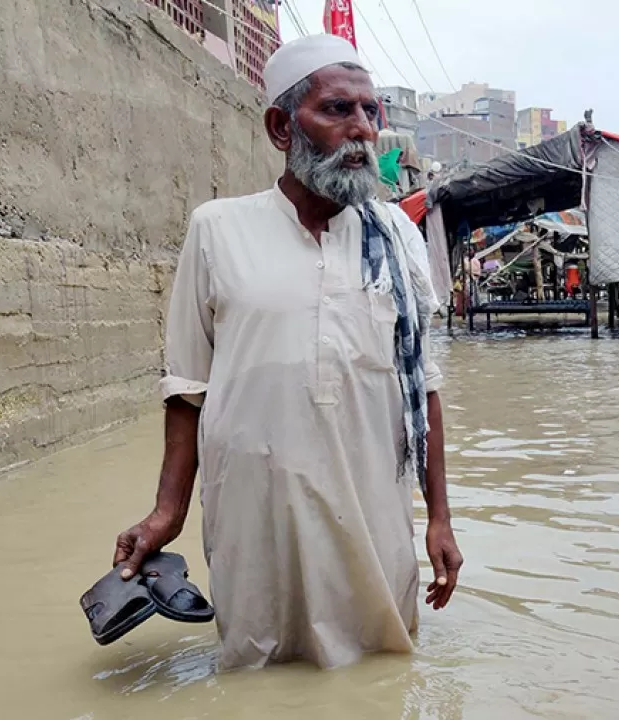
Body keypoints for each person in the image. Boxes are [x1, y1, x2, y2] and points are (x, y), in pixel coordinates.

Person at [111, 34, 463, 672]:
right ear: (281, 126)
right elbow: (188, 390)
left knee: (383, 666)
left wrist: (439, 519)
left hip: (374, 514)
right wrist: (167, 513)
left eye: (370, 112)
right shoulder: (217, 229)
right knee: (254, 671)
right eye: (337, 110)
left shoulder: (399, 240)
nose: (362, 130)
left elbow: (424, 387)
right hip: (256, 517)